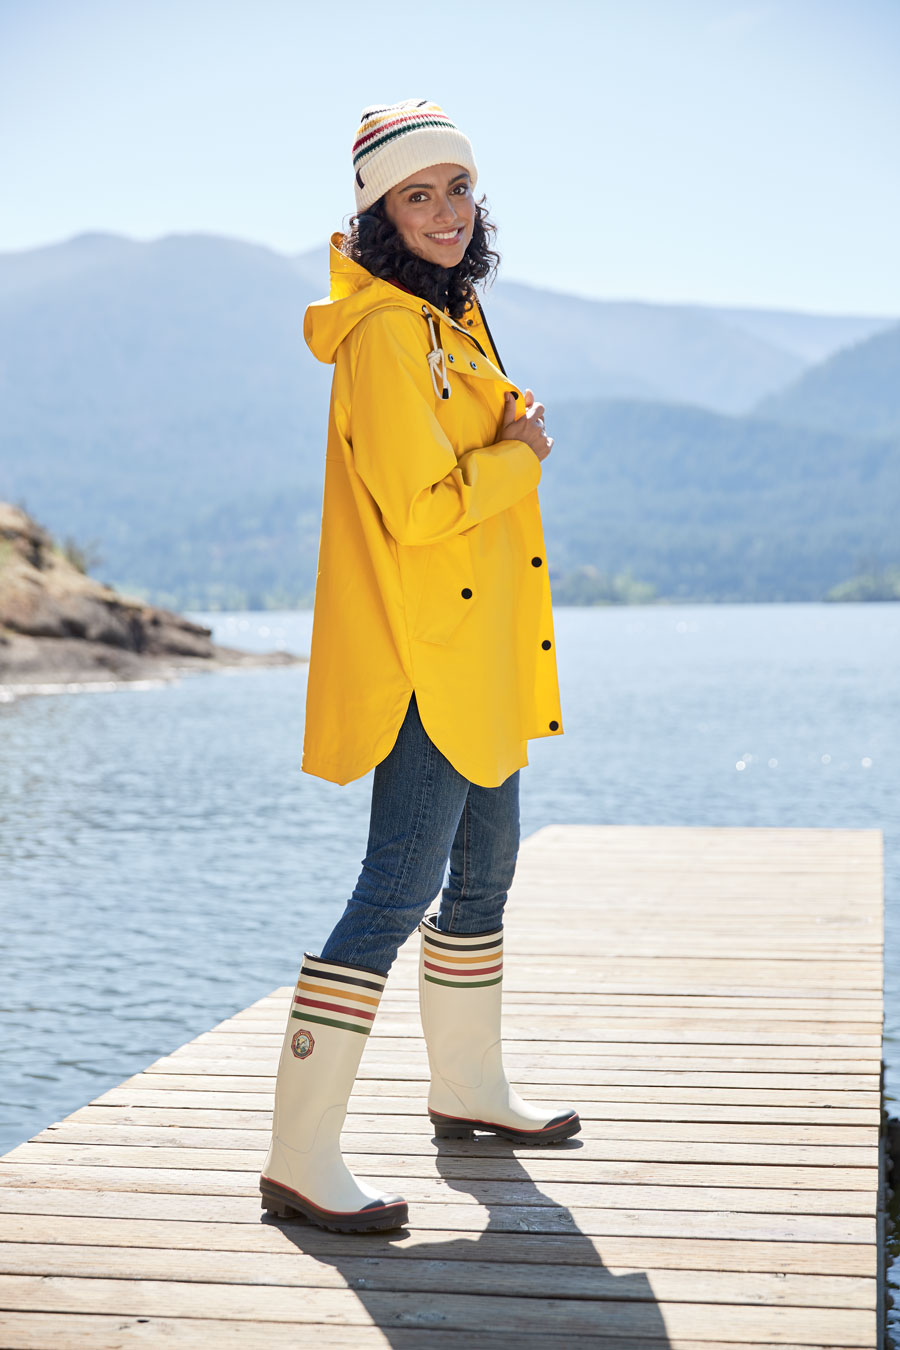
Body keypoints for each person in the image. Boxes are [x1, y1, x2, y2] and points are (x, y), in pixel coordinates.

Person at [260, 99, 580, 1235]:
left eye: (456, 189)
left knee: (483, 876)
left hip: (478, 655)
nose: (445, 212)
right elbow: (420, 507)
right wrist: (517, 457)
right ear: (378, 213)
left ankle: (469, 1091)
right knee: (394, 893)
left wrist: (503, 436)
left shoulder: (453, 316)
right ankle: (299, 1156)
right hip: (425, 662)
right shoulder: (391, 333)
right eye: (417, 195)